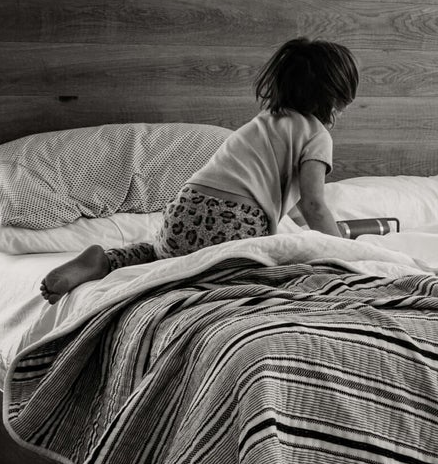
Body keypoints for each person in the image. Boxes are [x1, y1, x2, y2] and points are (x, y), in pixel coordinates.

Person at [40, 37, 359, 304]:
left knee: (164, 253)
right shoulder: (317, 134)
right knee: (272, 270)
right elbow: (314, 204)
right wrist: (343, 253)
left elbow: (295, 211)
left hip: (181, 212)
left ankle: (106, 260)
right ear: (333, 97)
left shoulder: (264, 122)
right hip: (232, 223)